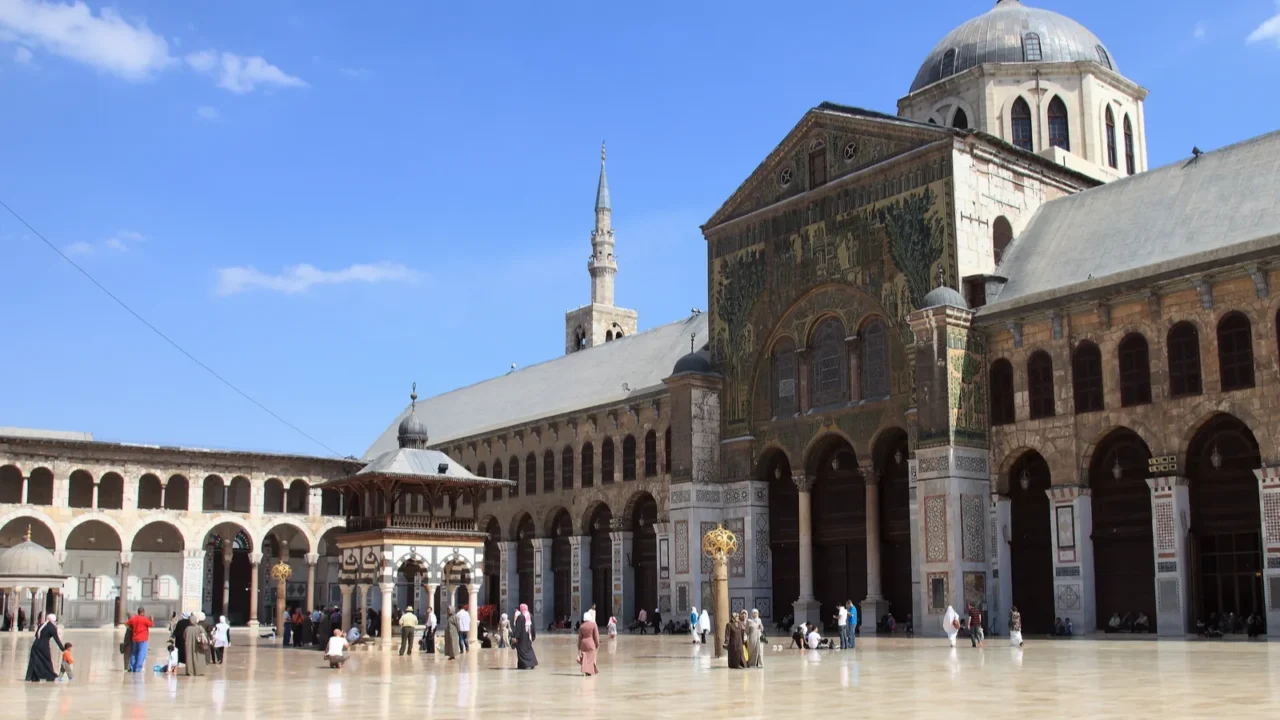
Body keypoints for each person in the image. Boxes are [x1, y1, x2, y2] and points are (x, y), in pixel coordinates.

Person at [125, 606, 153, 673]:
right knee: (141, 653)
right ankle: (138, 668)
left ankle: (132, 667)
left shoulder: (134, 619)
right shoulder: (144, 619)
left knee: (134, 653)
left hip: (135, 638)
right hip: (143, 639)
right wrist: (152, 619)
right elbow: (151, 625)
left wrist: (131, 629)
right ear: (143, 612)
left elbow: (126, 624)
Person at [183, 612, 210, 676]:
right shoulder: (199, 628)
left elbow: (184, 636)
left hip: (189, 646)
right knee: (199, 658)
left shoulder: (187, 629)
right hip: (199, 646)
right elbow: (205, 635)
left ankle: (190, 672)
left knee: (189, 658)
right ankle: (199, 671)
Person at [513, 603, 538, 670]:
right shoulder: (530, 616)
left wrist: (516, 637)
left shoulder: (520, 617)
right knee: (528, 649)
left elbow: (518, 628)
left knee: (521, 651)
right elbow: (533, 627)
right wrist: (533, 636)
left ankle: (524, 665)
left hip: (522, 637)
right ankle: (532, 663)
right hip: (528, 637)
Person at [578, 609, 600, 676]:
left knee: (585, 658)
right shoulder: (593, 625)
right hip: (590, 643)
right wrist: (597, 644)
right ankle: (589, 672)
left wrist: (579, 646)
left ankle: (586, 671)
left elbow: (579, 637)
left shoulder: (582, 626)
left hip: (583, 644)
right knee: (590, 658)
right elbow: (596, 636)